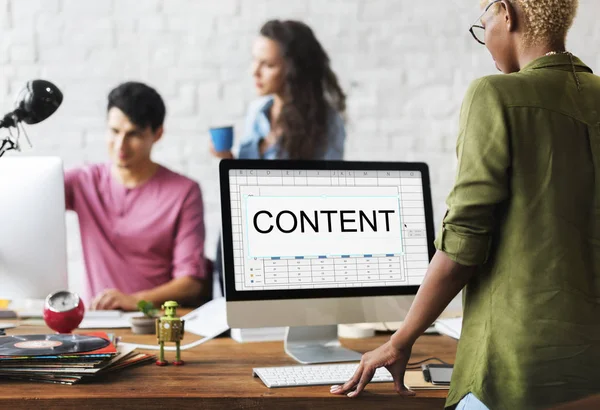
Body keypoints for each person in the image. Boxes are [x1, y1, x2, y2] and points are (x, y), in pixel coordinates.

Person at [331, 1, 600, 409]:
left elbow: (463, 243)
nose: (485, 39)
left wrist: (400, 340)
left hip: (517, 370)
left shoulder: (494, 95)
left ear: (506, 14)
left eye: (483, 24)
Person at [211, 20, 348, 291]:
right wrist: (229, 160)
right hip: (243, 228)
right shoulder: (257, 111)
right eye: (255, 61)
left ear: (294, 71)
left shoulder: (326, 122)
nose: (255, 72)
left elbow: (328, 193)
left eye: (268, 65)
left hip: (285, 239)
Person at [65, 82, 207, 311]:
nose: (121, 145)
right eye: (114, 131)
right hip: (99, 321)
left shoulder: (184, 192)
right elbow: (26, 198)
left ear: (157, 134)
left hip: (153, 320)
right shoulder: (82, 181)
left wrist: (135, 301)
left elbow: (190, 284)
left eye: (134, 134)